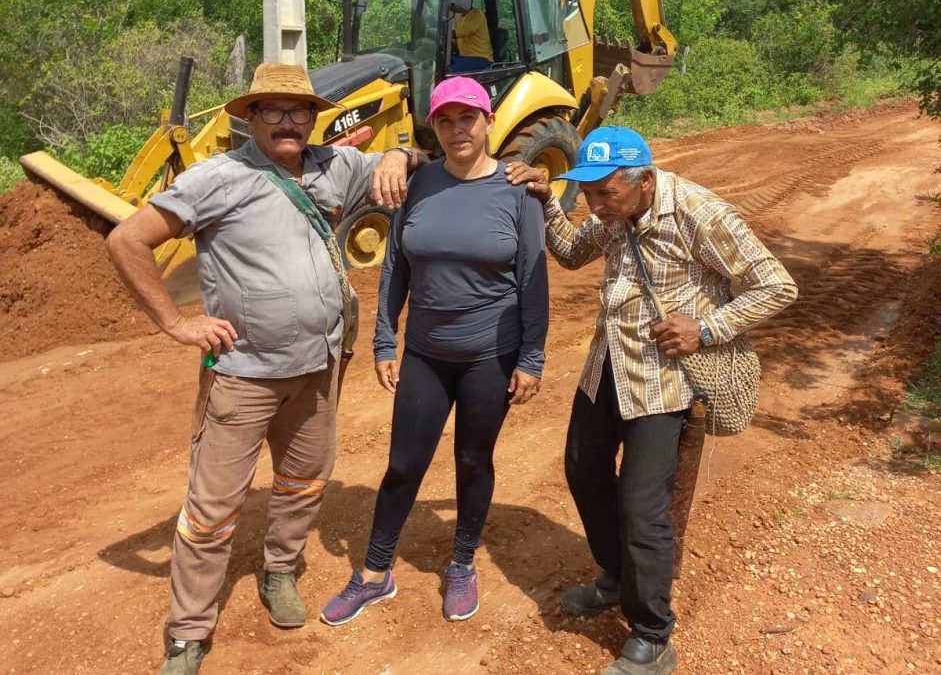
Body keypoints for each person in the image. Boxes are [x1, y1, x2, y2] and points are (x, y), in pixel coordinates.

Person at [106, 62, 421, 675]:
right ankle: (188, 633)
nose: (287, 121)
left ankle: (281, 570)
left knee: (304, 481)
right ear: (250, 117)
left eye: (299, 110)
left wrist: (397, 154)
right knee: (210, 509)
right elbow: (126, 240)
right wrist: (176, 323)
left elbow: (413, 159)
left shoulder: (336, 166)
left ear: (313, 118)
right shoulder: (217, 178)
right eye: (273, 110)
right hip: (242, 374)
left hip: (318, 370)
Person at [506, 126, 797, 675]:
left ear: (644, 180)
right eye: (587, 192)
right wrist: (546, 201)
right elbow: (570, 253)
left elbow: (776, 285)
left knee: (643, 507)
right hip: (608, 365)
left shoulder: (698, 213)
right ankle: (617, 576)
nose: (595, 205)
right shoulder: (611, 208)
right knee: (583, 470)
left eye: (605, 193)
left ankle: (652, 633)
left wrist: (705, 329)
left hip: (664, 381)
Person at [320, 76, 549, 626]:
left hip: (490, 355)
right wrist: (384, 339)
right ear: (434, 128)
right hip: (424, 353)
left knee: (473, 460)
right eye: (445, 120)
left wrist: (531, 358)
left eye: (467, 118)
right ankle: (374, 572)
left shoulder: (519, 191)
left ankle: (462, 563)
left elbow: (533, 280)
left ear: (489, 121)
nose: (456, 129)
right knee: (404, 464)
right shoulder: (418, 183)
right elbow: (396, 267)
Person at [450, 6, 494, 73]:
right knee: (443, 62)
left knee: (449, 69)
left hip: (482, 59)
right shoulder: (460, 18)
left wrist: (439, 33)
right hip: (466, 58)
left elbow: (461, 33)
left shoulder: (477, 14)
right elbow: (458, 41)